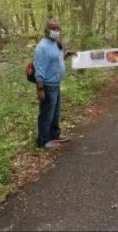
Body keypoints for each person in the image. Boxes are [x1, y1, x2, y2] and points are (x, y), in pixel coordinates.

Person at [34, 19, 76, 149]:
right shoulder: (42, 47)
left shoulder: (55, 44)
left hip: (56, 84)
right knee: (46, 114)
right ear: (46, 30)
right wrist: (40, 89)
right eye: (53, 28)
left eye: (58, 28)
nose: (56, 31)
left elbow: (56, 61)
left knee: (55, 113)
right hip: (47, 85)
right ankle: (43, 141)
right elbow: (39, 70)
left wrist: (66, 55)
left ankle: (54, 135)